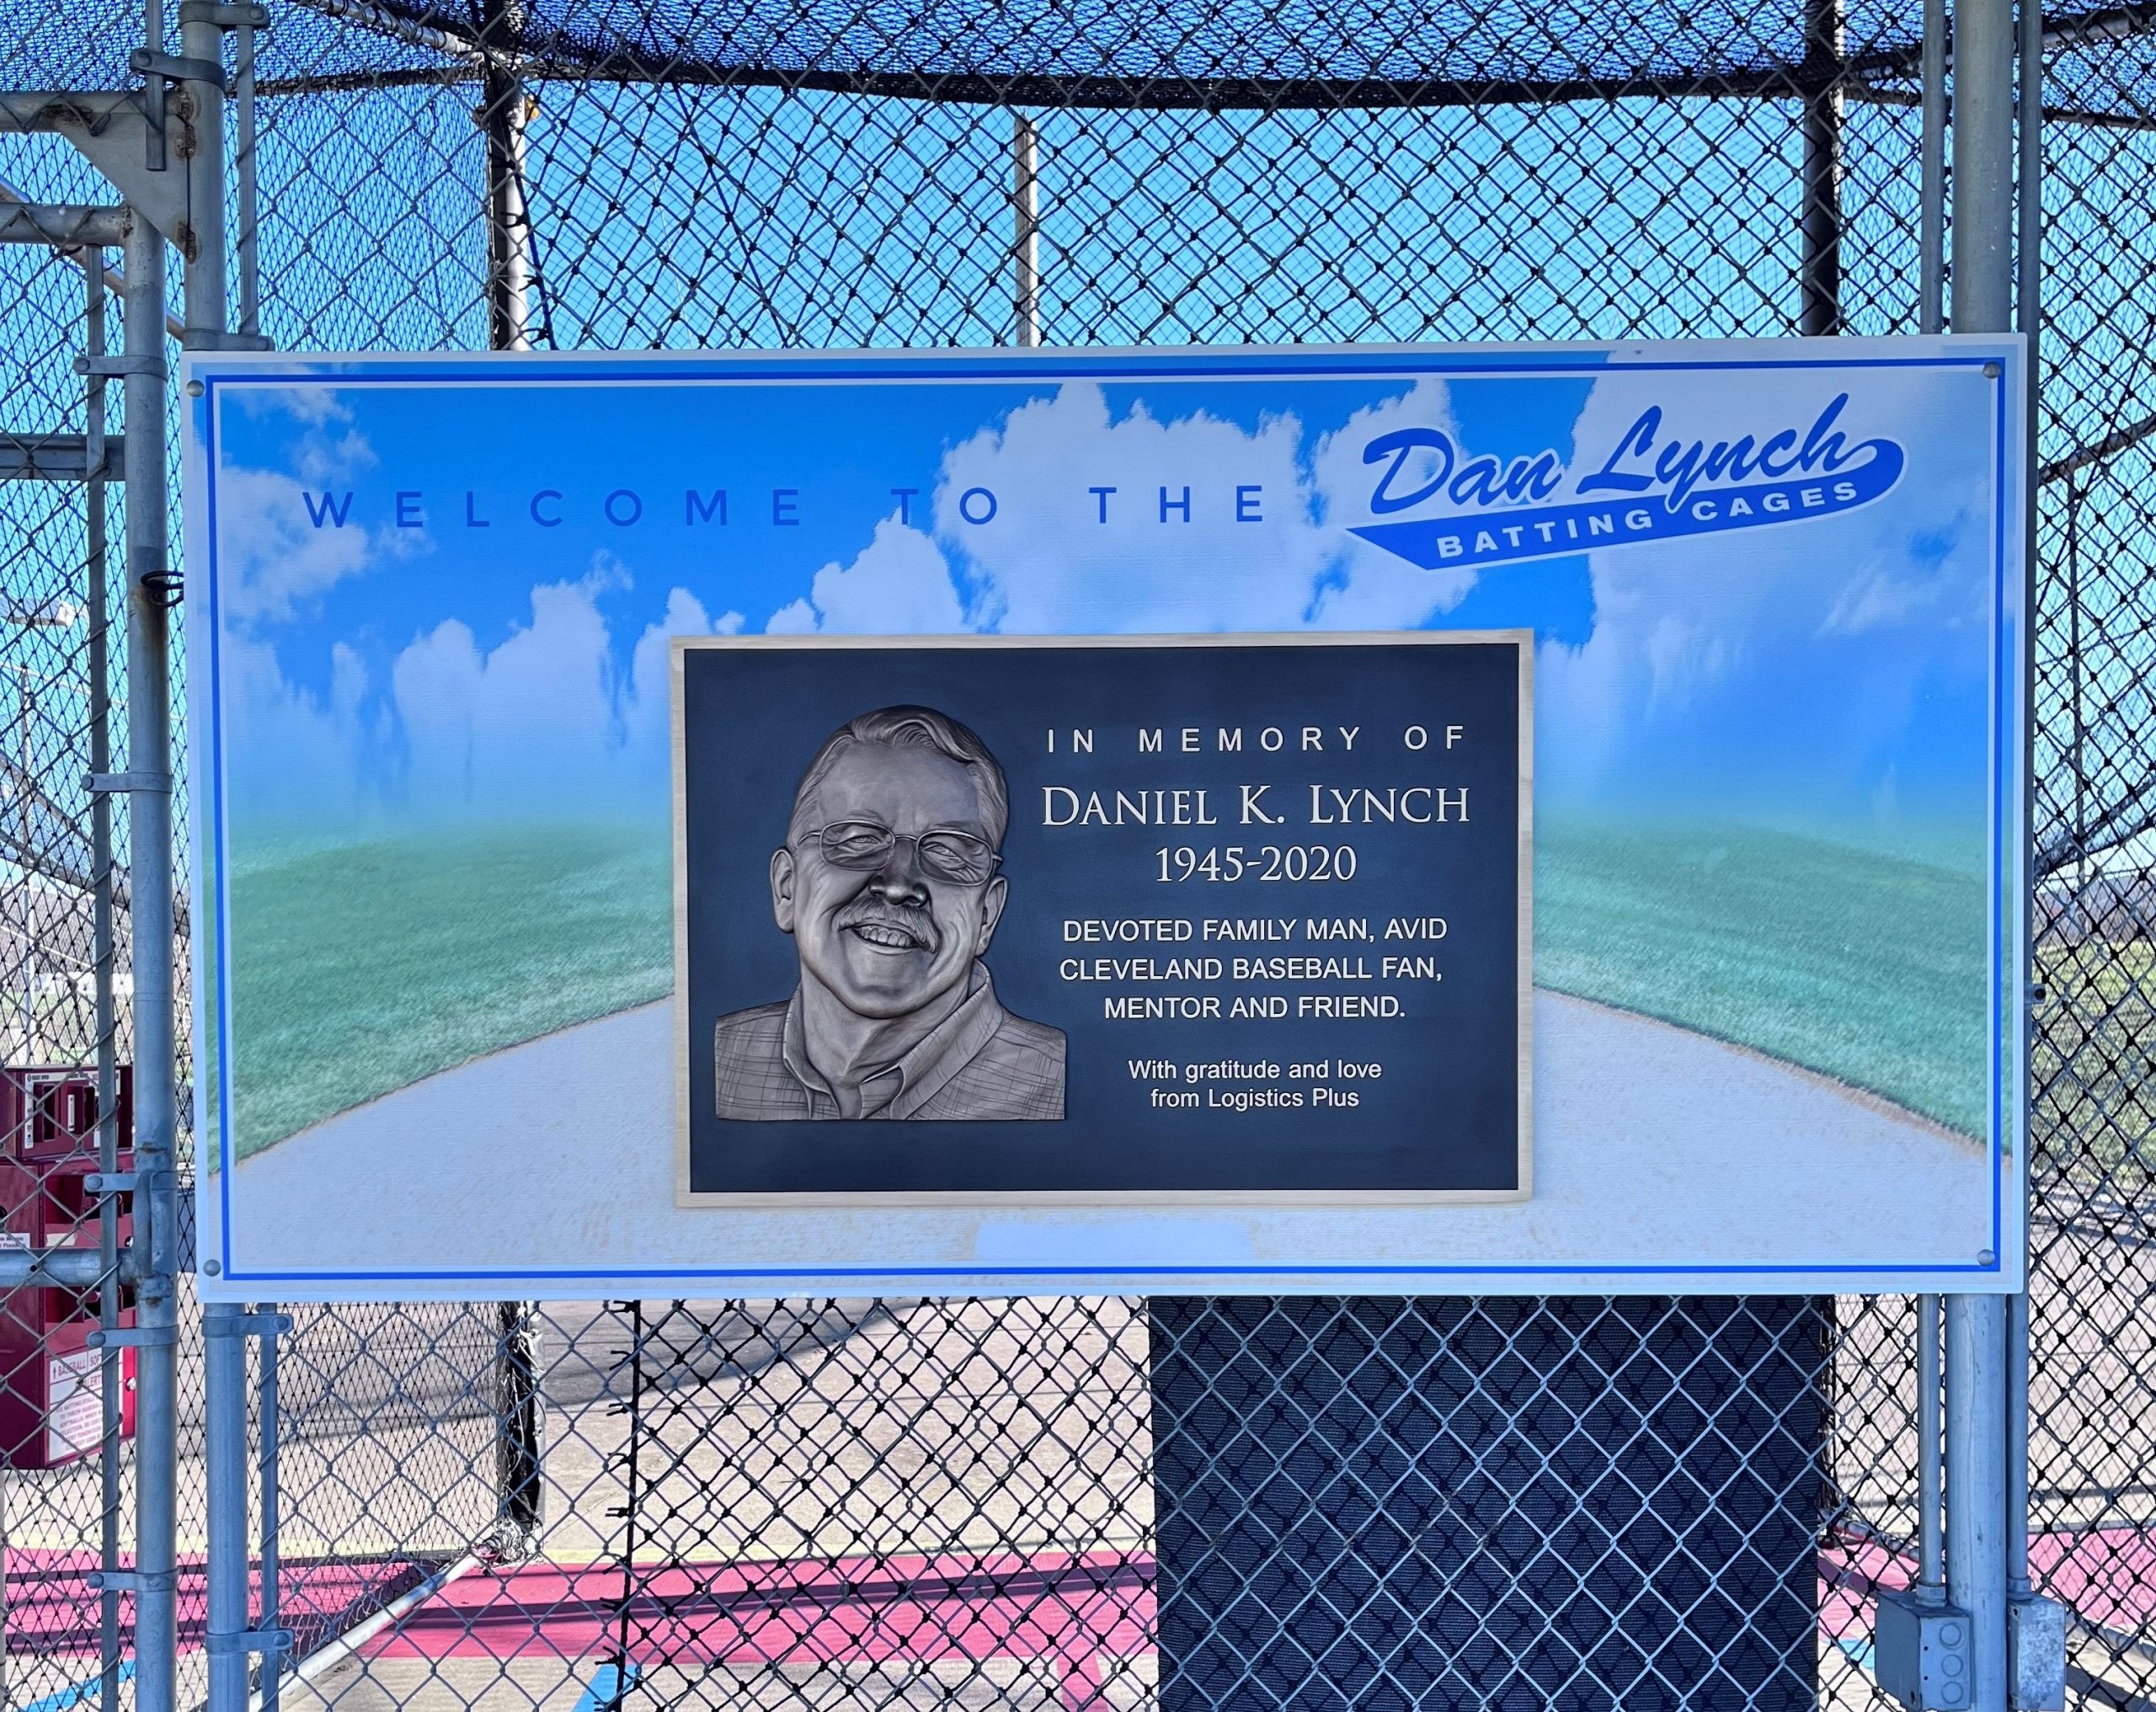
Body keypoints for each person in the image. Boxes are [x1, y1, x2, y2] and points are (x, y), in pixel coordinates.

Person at [712, 704, 1065, 1122]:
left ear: (986, 915)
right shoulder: (717, 1061)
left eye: (947, 851)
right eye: (858, 839)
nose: (898, 885)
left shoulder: (1059, 1085)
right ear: (787, 888)